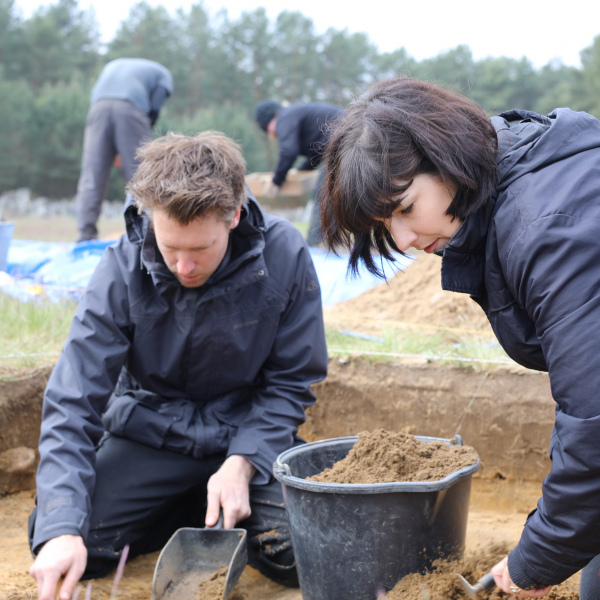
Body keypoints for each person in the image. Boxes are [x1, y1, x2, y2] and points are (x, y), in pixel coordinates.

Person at [319, 76, 600, 598]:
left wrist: (539, 556)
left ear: (446, 158)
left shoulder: (548, 229)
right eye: (387, 224)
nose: (404, 241)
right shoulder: (512, 194)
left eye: (405, 208)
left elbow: (595, 418)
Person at [29, 131, 328, 600]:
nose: (183, 267)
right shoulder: (120, 266)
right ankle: (186, 507)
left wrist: (244, 463)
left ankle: (216, 497)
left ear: (233, 215)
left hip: (247, 436)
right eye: (171, 249)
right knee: (73, 540)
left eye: (200, 250)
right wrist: (61, 528)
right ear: (150, 217)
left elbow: (291, 381)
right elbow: (72, 401)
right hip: (151, 435)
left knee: (302, 551)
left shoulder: (285, 254)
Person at [75, 58, 173, 242]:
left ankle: (85, 237)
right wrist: (131, 145)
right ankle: (146, 237)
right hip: (131, 109)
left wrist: (116, 147)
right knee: (143, 178)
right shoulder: (164, 74)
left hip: (98, 108)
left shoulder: (112, 64)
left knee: (92, 176)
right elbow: (154, 109)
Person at [254, 100, 344, 246]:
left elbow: (289, 151)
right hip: (346, 140)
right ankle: (323, 241)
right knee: (337, 194)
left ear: (268, 123)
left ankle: (314, 245)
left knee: (323, 195)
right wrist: (300, 172)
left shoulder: (284, 117)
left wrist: (277, 180)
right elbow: (317, 153)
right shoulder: (294, 114)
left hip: (344, 142)